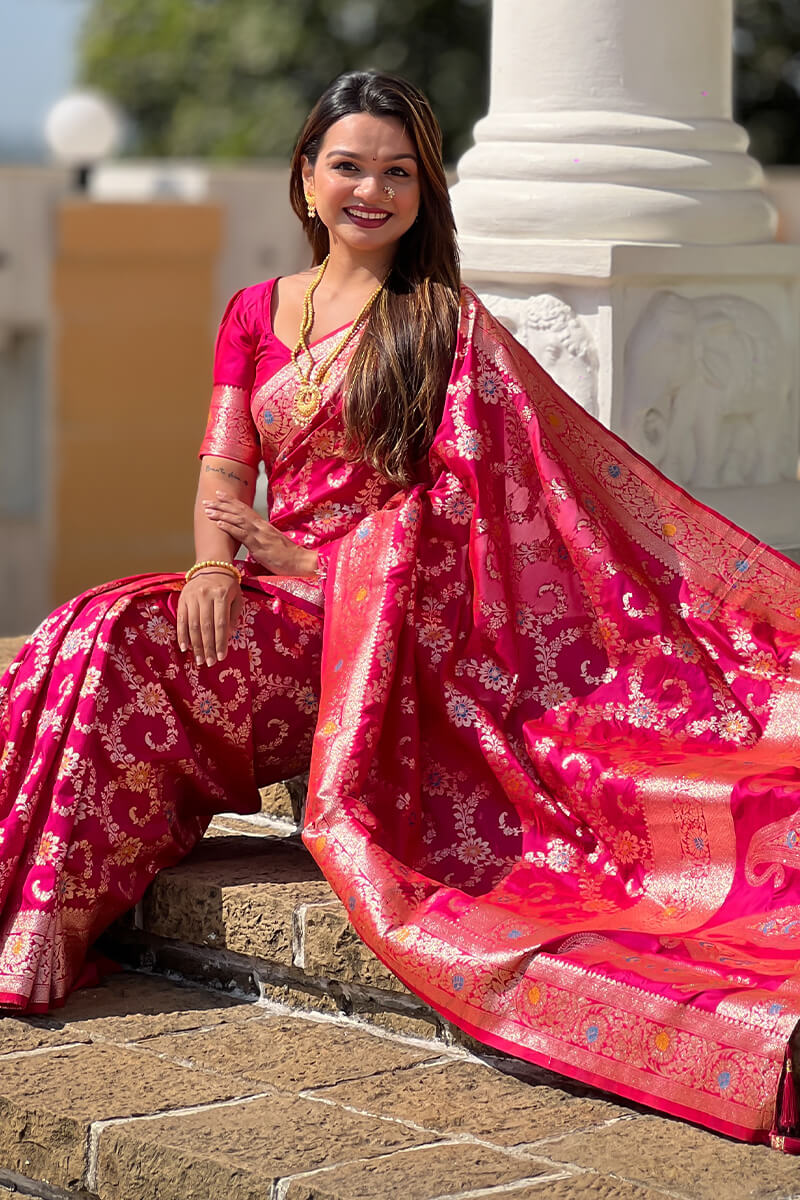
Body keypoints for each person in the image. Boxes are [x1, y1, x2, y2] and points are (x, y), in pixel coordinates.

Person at [1, 70, 800, 1154]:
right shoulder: (255, 312)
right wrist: (212, 569)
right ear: (304, 174)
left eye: (397, 172)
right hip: (261, 602)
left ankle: (52, 920)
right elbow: (222, 473)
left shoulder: (440, 325)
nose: (369, 190)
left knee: (114, 637)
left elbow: (474, 522)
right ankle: (30, 912)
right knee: (83, 628)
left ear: (423, 191)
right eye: (348, 166)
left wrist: (318, 564)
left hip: (363, 641)